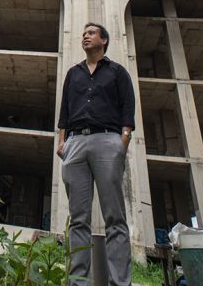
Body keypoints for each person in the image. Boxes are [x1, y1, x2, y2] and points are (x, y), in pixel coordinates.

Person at [57, 22, 135, 286]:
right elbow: (64, 111)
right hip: (76, 142)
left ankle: (119, 283)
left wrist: (122, 141)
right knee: (78, 219)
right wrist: (62, 142)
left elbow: (128, 107)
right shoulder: (73, 73)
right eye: (83, 34)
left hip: (108, 140)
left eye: (91, 33)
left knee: (114, 217)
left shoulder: (117, 72)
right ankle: (78, 282)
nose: (85, 37)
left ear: (104, 40)